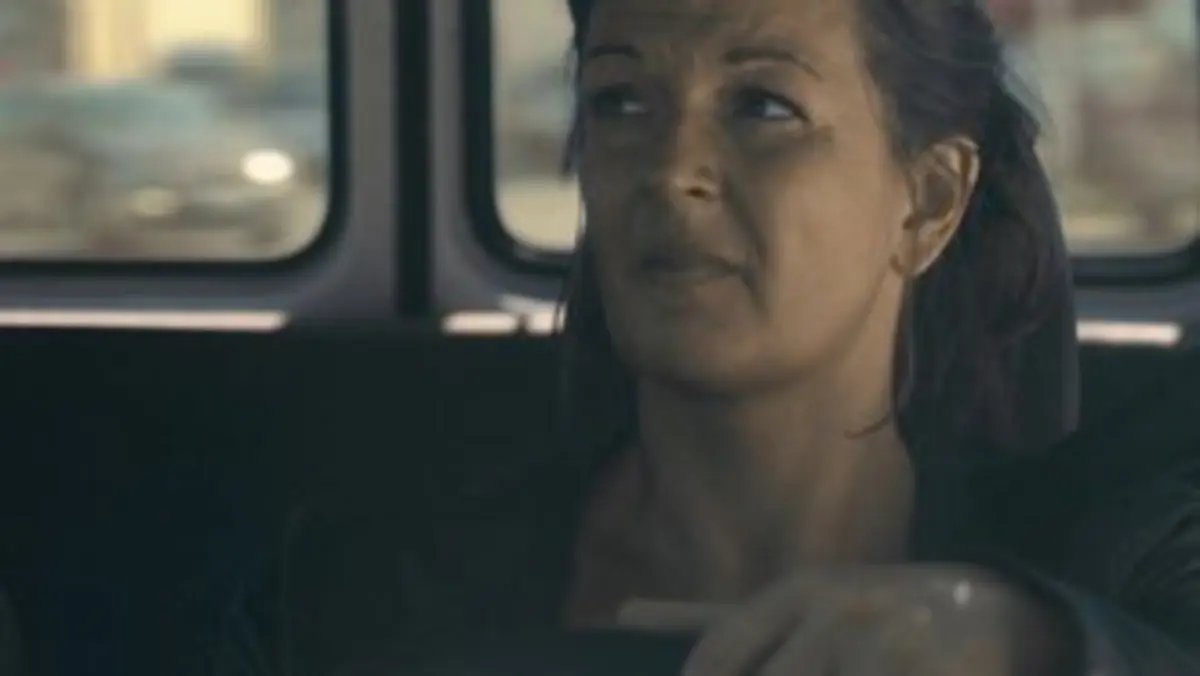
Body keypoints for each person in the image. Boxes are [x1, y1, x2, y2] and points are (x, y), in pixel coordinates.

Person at [214, 0, 1200, 674]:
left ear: (929, 201)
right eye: (620, 102)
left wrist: (1032, 644)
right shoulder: (365, 586)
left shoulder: (1107, 556)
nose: (670, 168)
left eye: (763, 106)